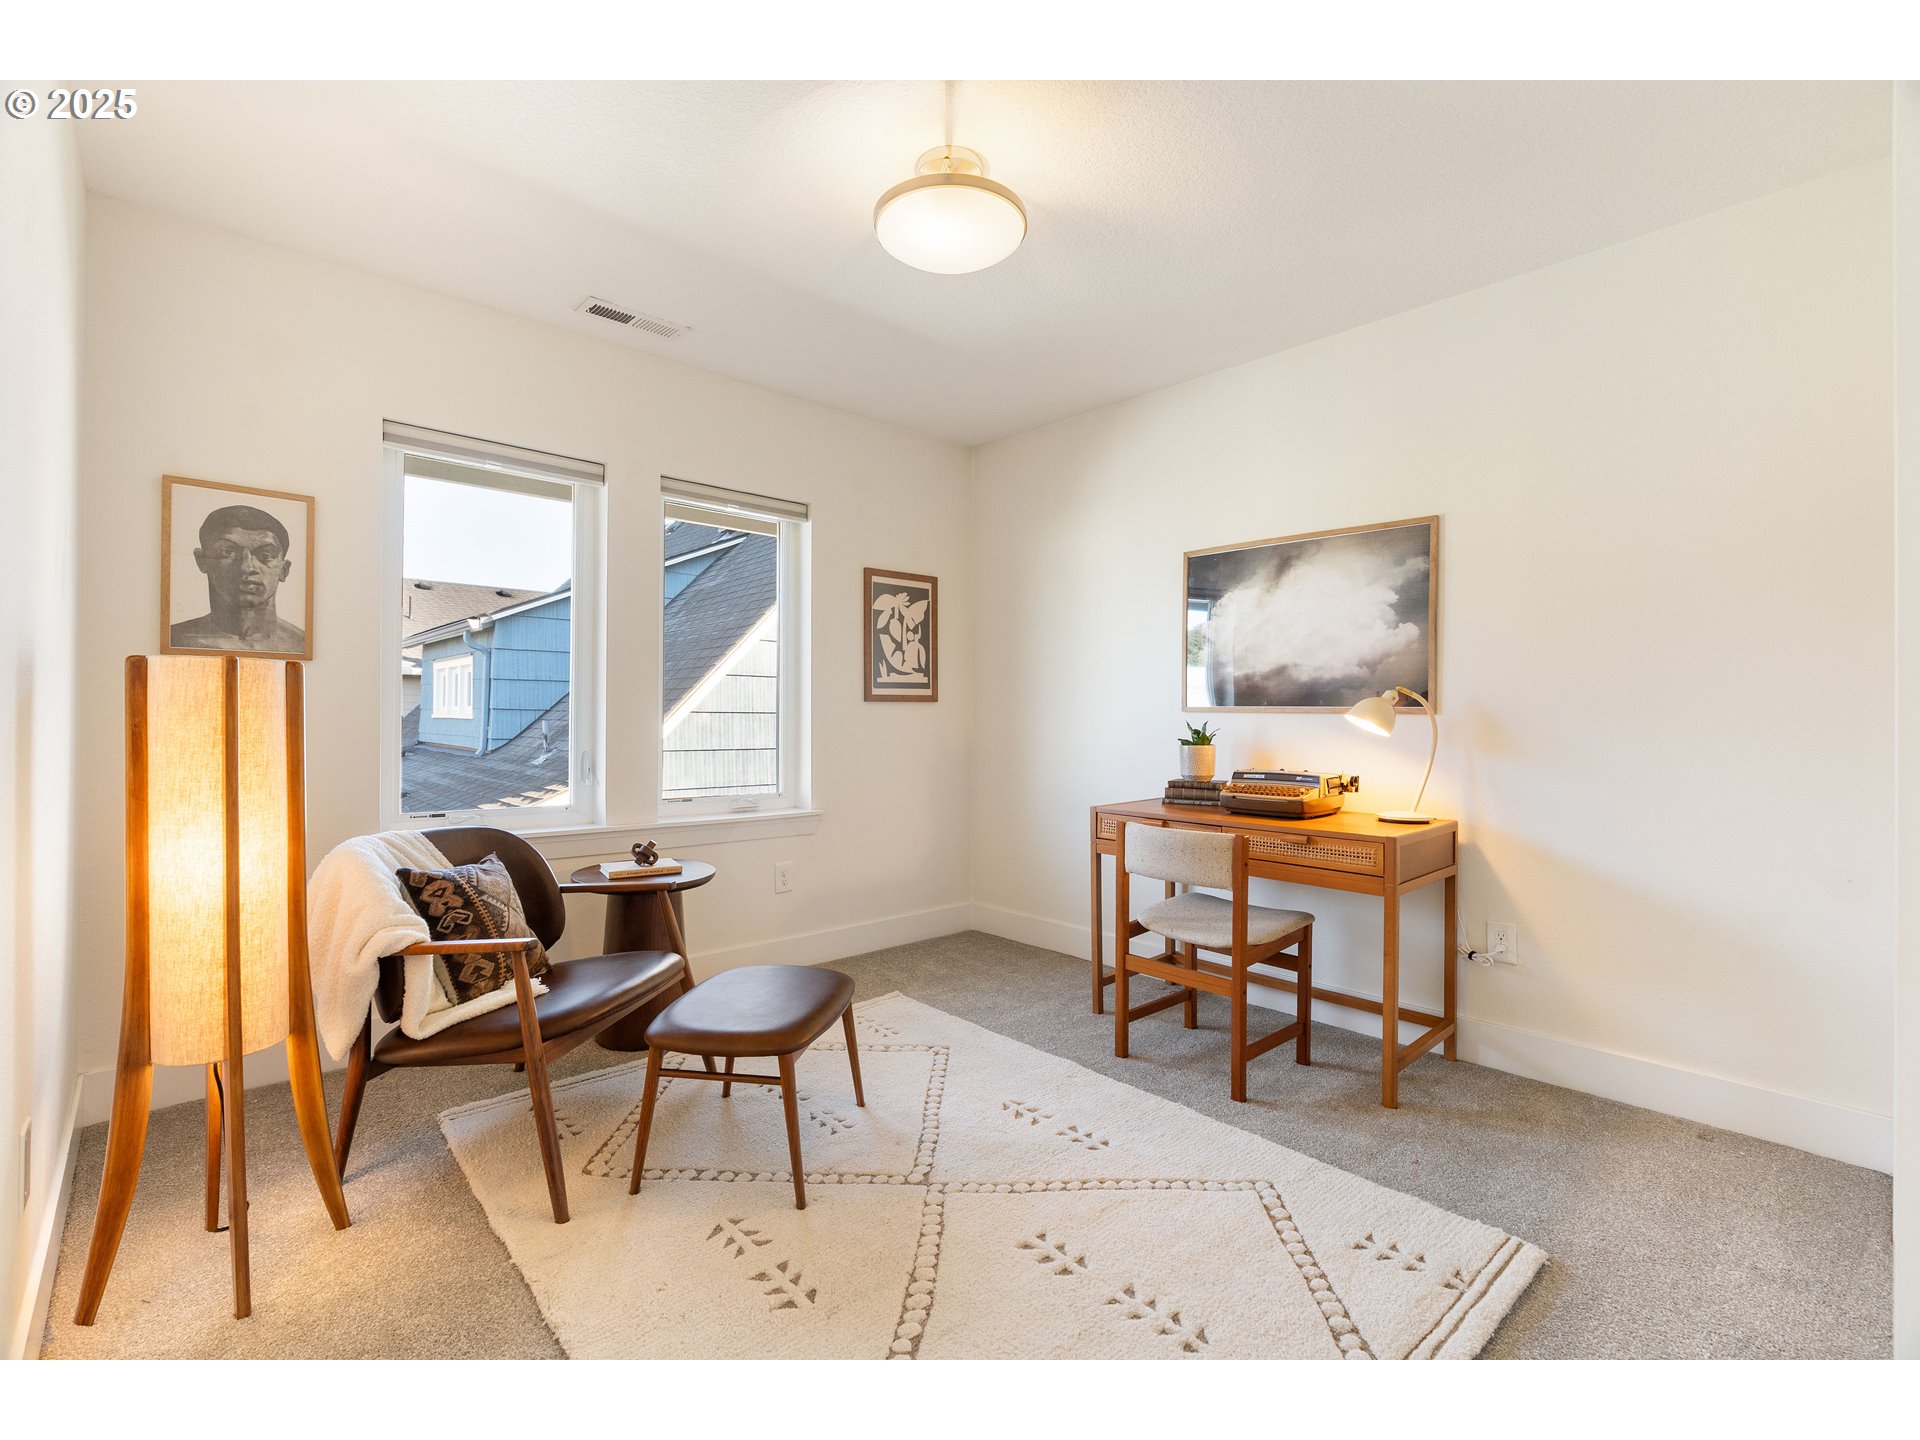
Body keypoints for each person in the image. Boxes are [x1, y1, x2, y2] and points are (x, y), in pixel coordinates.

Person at [170, 503, 307, 654]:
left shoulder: (301, 643)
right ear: (202, 560)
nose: (247, 567)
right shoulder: (175, 638)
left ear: (284, 570)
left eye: (265, 556)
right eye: (227, 552)